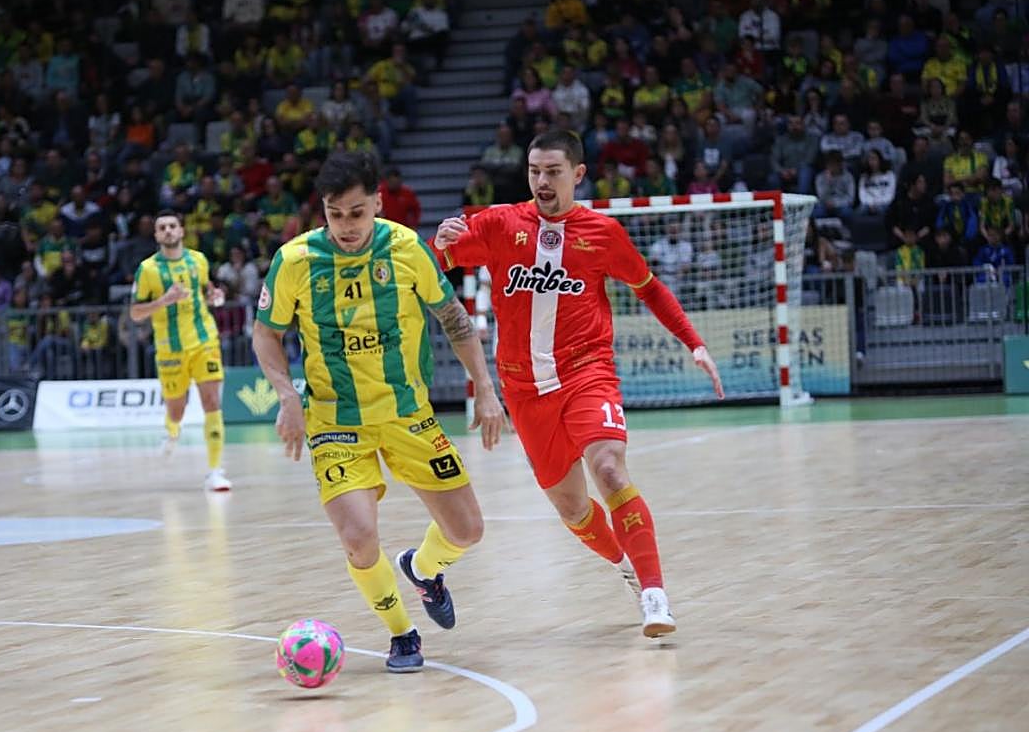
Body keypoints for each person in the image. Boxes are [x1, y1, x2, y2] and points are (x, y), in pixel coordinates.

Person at [432, 130, 724, 638]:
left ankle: (655, 594)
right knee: (572, 507)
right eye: (534, 171)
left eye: (553, 172)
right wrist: (440, 243)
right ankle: (625, 565)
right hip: (525, 391)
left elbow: (649, 288)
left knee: (609, 470)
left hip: (587, 372)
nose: (542, 181)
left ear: (578, 174)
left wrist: (693, 341)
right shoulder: (499, 223)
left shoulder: (603, 234)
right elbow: (437, 267)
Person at [252, 151, 504, 672]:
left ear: (378, 204)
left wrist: (484, 385)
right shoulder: (295, 262)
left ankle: (422, 568)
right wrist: (286, 395)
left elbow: (453, 318)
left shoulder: (408, 248)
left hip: (408, 413)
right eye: (335, 213)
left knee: (468, 531)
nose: (346, 225)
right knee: (359, 537)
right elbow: (266, 334)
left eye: (357, 212)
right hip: (335, 422)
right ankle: (402, 634)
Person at [129, 210, 232, 492]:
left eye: (173, 226)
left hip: (204, 342)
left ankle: (215, 471)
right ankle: (172, 431)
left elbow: (208, 289)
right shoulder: (148, 270)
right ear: (156, 235)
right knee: (177, 409)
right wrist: (164, 300)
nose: (169, 231)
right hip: (170, 349)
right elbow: (136, 313)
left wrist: (216, 295)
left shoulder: (198, 260)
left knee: (212, 402)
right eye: (162, 227)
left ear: (182, 230)